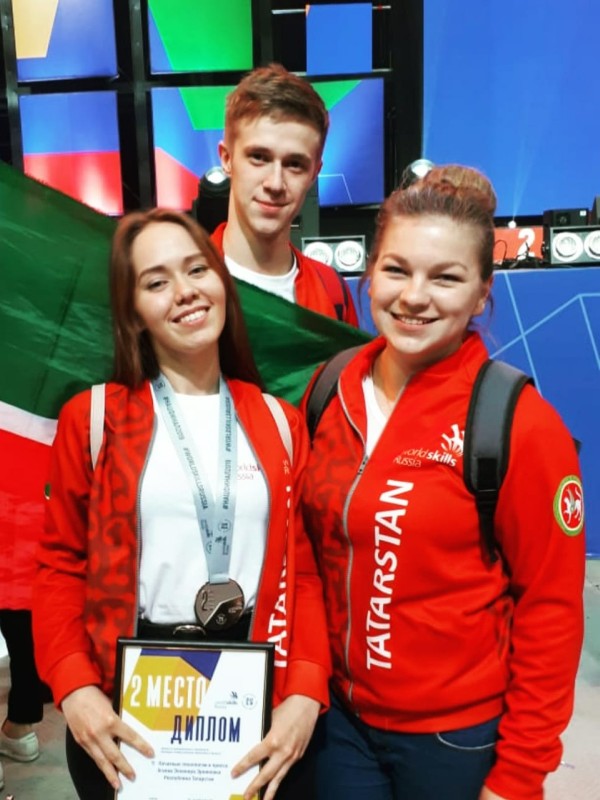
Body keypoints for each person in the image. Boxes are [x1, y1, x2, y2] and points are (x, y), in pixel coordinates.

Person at [301, 165, 586, 800]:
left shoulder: (515, 421)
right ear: (368, 274)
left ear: (482, 293)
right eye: (397, 270)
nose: (414, 296)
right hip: (338, 726)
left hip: (455, 741)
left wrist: (519, 775)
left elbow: (552, 611)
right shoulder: (330, 389)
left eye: (446, 278)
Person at [32, 208, 330, 800]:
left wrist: (305, 690)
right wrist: (75, 687)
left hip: (256, 701)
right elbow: (59, 565)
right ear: (132, 313)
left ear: (222, 282)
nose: (185, 291)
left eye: (197, 269)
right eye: (156, 281)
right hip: (127, 709)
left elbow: (303, 573)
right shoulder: (94, 418)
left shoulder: (279, 421)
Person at [213, 62, 358, 326]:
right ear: (227, 159)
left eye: (294, 164)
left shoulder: (333, 292)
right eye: (259, 157)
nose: (275, 183)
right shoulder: (182, 287)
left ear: (314, 173)